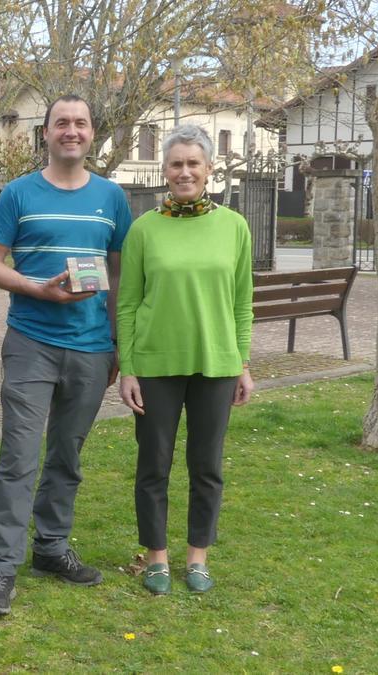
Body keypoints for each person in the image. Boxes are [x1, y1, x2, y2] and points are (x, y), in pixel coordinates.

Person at [0, 95, 131, 616]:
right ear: (45, 133)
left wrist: (117, 346)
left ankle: (51, 548)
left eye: (80, 123)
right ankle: (1, 567)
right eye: (61, 122)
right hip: (31, 342)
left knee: (67, 456)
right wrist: (37, 288)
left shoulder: (112, 198)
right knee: (18, 458)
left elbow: (120, 276)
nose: (71, 130)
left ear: (92, 133)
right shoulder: (17, 194)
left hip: (91, 348)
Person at [117, 124, 255, 595]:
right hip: (155, 365)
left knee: (206, 465)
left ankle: (198, 555)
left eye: (193, 163)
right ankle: (157, 556)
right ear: (164, 170)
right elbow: (129, 304)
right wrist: (128, 368)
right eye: (176, 164)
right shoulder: (143, 230)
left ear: (209, 170)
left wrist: (243, 362)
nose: (184, 172)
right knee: (153, 464)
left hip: (217, 363)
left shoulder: (234, 226)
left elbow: (241, 302)